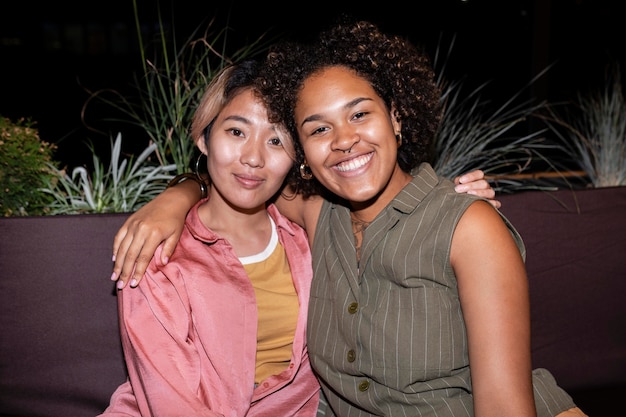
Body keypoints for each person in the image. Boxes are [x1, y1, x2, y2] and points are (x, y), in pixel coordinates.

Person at [111, 20, 587, 416]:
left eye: (360, 115)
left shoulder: (465, 226)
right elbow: (241, 177)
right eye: (318, 128)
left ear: (396, 116)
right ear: (305, 156)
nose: (343, 140)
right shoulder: (320, 217)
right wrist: (177, 195)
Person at [99, 60, 320, 416]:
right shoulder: (158, 249)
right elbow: (170, 399)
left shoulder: (306, 238)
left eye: (276, 140)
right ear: (204, 138)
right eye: (236, 132)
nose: (252, 157)